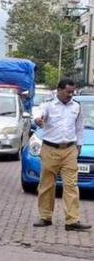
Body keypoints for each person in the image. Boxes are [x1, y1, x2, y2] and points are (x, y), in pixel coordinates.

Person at [33, 78, 91, 232]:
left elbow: (79, 127)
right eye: (68, 92)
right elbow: (40, 114)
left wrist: (79, 146)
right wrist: (38, 120)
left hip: (69, 150)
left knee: (71, 185)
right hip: (50, 149)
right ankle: (45, 217)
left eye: (73, 92)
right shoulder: (48, 105)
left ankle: (72, 220)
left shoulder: (76, 107)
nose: (70, 95)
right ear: (59, 90)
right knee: (46, 185)